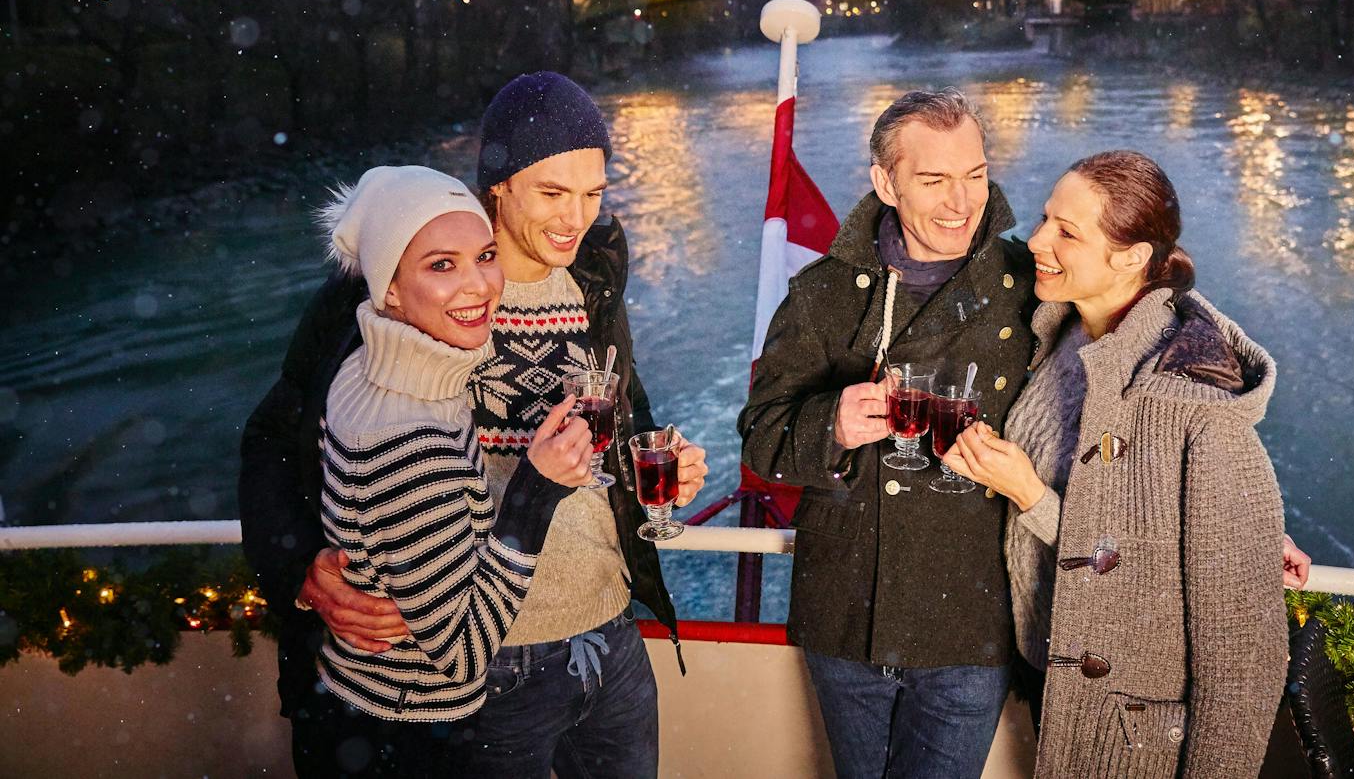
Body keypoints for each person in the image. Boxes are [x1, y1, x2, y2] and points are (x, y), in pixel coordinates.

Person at [241, 72, 708, 779]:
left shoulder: (594, 277)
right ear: (500, 185)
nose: (574, 219)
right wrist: (303, 569)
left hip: (610, 630)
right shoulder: (396, 283)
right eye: (552, 193)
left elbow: (622, 413)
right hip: (486, 663)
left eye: (593, 193)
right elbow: (275, 440)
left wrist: (659, 464)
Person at [943, 150, 1288, 778]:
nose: (1038, 240)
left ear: (1132, 257)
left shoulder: (1196, 404)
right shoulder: (1071, 335)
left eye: (1066, 232)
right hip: (1055, 674)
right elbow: (1139, 516)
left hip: (1133, 731)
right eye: (1046, 218)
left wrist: (1029, 496)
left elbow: (1244, 662)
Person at [739, 88, 1037, 779]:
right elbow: (759, 436)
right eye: (933, 180)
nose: (961, 203)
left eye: (975, 174)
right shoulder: (822, 291)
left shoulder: (1029, 284)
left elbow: (1129, 365)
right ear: (886, 182)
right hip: (847, 611)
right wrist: (831, 424)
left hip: (972, 616)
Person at [303, 165, 593, 776]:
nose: (480, 285)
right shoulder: (410, 434)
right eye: (441, 265)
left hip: (355, 706)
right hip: (411, 737)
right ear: (389, 290)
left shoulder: (368, 369)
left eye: (485, 256)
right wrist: (535, 493)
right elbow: (460, 654)